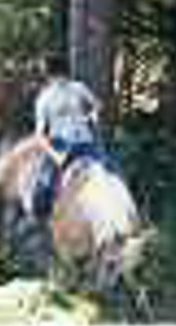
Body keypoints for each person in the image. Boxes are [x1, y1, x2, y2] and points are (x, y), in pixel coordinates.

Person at [31, 53, 115, 221]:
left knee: (112, 173)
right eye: (56, 75)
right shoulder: (44, 99)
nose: (61, 79)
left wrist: (92, 116)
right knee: (44, 185)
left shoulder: (79, 88)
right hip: (59, 144)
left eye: (62, 74)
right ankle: (39, 222)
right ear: (49, 76)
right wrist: (56, 156)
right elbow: (39, 135)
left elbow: (97, 105)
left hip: (85, 141)